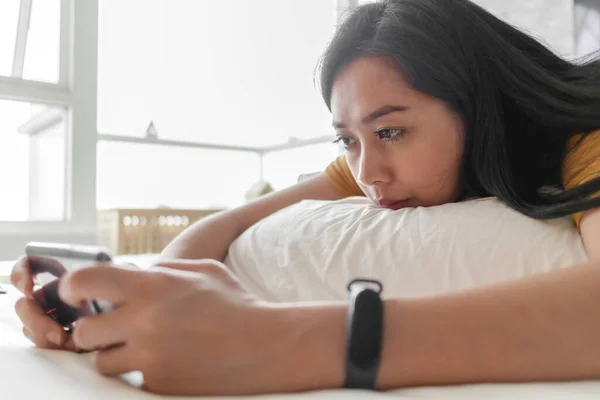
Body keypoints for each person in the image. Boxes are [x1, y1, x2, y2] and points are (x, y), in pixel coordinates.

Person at [10, 0, 600, 396]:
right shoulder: (374, 166)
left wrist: (276, 342)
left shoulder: (583, 134)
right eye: (349, 139)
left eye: (391, 131)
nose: (369, 173)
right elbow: (229, 223)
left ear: (479, 106)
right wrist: (154, 294)